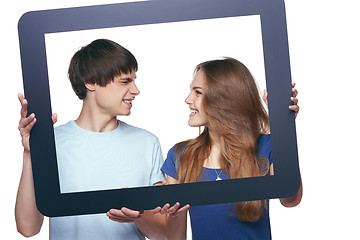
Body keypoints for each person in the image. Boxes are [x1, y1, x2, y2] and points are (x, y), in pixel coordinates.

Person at [15, 39, 167, 240]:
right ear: (90, 82)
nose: (136, 90)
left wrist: (138, 216)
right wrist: (30, 152)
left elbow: (163, 235)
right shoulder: (54, 142)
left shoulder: (148, 143)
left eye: (134, 80)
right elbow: (28, 228)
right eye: (125, 81)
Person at [154, 57, 302, 240]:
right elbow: (175, 238)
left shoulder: (267, 146)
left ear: (224, 99)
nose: (187, 99)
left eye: (197, 92)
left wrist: (283, 127)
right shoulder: (180, 155)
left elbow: (291, 199)